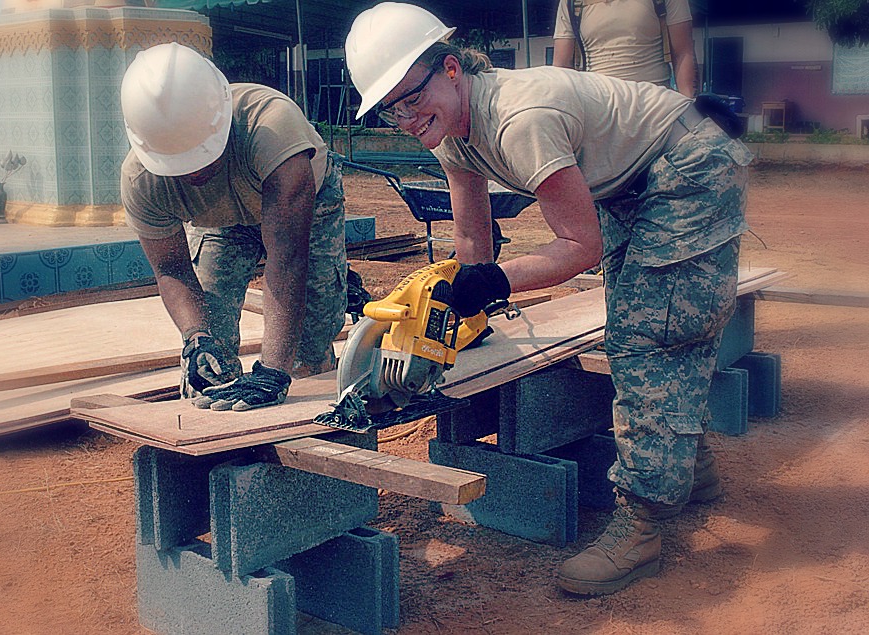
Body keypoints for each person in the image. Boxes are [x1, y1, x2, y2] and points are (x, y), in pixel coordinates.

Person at [345, 3, 752, 595]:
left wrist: (495, 284)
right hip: (634, 178)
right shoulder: (450, 132)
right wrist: (459, 311)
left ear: (452, 69)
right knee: (650, 319)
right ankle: (686, 467)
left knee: (649, 333)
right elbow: (471, 241)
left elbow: (578, 246)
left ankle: (642, 523)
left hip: (687, 165)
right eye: (391, 109)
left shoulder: (518, 119)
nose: (406, 118)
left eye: (411, 97)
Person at [120, 42, 347, 411]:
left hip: (305, 203)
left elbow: (286, 260)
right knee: (211, 344)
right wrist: (196, 339)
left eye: (200, 155)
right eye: (179, 163)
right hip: (223, 223)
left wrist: (273, 371)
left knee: (310, 338)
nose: (194, 172)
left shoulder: (273, 126)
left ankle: (310, 431)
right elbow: (171, 269)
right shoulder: (141, 180)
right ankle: (219, 436)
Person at [552, 0, 699, 97]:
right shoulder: (571, 2)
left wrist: (689, 103)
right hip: (597, 103)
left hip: (653, 101)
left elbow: (683, 52)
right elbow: (562, 66)